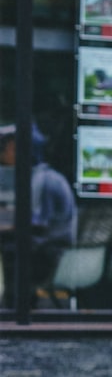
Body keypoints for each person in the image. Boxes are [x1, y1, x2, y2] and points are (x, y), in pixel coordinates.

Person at [0, 124, 77, 308]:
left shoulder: (45, 180)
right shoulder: (31, 176)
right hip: (38, 249)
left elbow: (35, 228)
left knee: (10, 252)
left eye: (4, 147)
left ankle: (14, 307)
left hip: (47, 255)